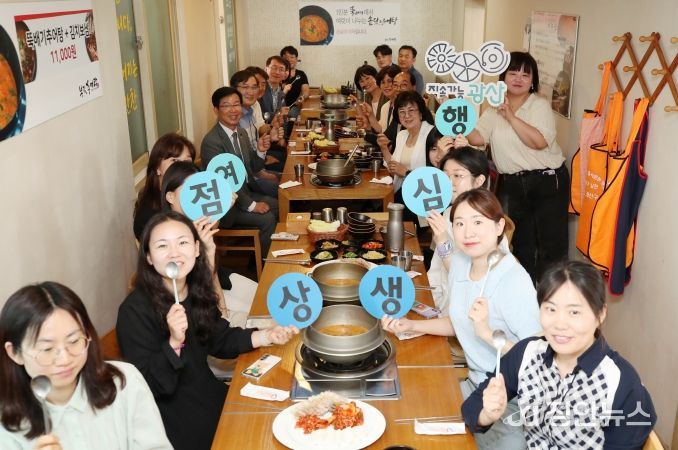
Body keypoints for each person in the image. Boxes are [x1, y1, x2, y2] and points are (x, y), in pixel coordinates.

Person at [116, 211, 297, 450]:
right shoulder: (133, 311)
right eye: (162, 246)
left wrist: (267, 335)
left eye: (182, 242)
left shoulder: (194, 291)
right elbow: (148, 387)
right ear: (148, 257)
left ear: (196, 249)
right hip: (172, 420)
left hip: (208, 394)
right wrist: (174, 342)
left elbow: (220, 339)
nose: (174, 253)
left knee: (278, 416)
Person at [382, 188, 540, 449]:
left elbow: (538, 358)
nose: (468, 233)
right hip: (473, 385)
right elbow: (459, 322)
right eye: (460, 223)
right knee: (408, 416)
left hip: (510, 400)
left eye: (478, 222)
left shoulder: (514, 281)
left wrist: (487, 334)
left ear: (499, 226)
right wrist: (412, 325)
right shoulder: (462, 264)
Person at [462, 260, 656, 449]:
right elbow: (472, 406)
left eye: (574, 312)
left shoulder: (622, 384)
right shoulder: (527, 354)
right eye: (551, 309)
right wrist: (487, 414)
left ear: (600, 314)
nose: (560, 324)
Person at [1, 282, 171, 449]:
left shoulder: (124, 382)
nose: (65, 359)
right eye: (47, 349)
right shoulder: (6, 423)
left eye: (74, 341)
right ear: (14, 353)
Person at [457, 51, 569, 283]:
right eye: (513, 73)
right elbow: (478, 137)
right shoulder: (493, 108)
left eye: (525, 75)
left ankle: (550, 299)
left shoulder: (539, 105)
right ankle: (526, 296)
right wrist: (457, 117)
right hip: (513, 184)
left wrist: (510, 116)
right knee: (521, 244)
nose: (519, 78)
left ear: (533, 81)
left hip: (547, 181)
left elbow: (538, 142)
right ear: (503, 77)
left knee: (551, 248)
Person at [161, 161, 255, 328]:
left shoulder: (197, 222)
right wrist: (223, 314)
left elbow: (213, 273)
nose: (195, 194)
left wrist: (223, 310)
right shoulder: (168, 235)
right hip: (196, 309)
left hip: (214, 288)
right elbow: (198, 284)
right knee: (258, 315)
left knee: (263, 300)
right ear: (170, 197)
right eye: (189, 188)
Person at [201, 86, 279, 256]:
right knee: (267, 219)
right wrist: (252, 206)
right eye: (227, 105)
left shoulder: (241, 133)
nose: (233, 110)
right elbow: (223, 185)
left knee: (280, 205)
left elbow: (253, 168)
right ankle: (265, 264)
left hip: (246, 193)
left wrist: (260, 151)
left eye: (236, 104)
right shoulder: (212, 142)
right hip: (227, 205)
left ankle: (264, 253)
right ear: (216, 110)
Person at [426, 147, 497, 313]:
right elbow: (436, 269)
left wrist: (442, 239)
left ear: (478, 181)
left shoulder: (486, 221)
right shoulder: (449, 212)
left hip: (469, 312)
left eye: (458, 176)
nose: (449, 183)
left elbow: (466, 279)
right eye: (445, 176)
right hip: (441, 300)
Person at [133, 132, 195, 240]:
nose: (182, 167)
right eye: (174, 161)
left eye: (187, 161)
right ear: (157, 167)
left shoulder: (192, 193)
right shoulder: (148, 215)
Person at [231, 69, 286, 173]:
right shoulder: (233, 118)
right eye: (245, 87)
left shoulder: (251, 109)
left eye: (254, 87)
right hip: (246, 171)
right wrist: (263, 162)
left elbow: (260, 130)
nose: (251, 92)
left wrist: (271, 129)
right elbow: (240, 160)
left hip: (256, 159)